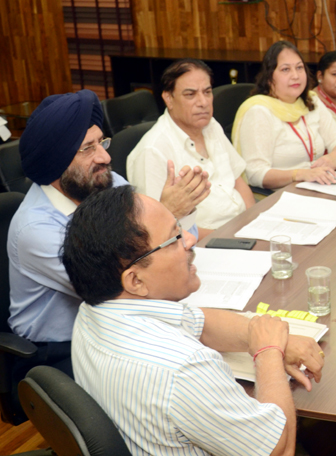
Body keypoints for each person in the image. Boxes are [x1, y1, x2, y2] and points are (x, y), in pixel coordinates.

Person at [63, 185, 325, 455]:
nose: (190, 239)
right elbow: (279, 449)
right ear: (135, 280)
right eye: (174, 238)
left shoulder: (94, 310)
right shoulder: (185, 369)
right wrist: (269, 352)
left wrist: (261, 332)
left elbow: (200, 323)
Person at [7, 89, 210, 386]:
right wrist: (168, 212)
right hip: (55, 352)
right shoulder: (35, 229)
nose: (105, 156)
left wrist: (182, 213)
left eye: (101, 142)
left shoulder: (106, 182)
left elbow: (156, 251)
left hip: (116, 325)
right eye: (87, 149)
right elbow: (120, 286)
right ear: (57, 161)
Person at [128, 59, 256, 240]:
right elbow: (158, 226)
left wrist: (254, 221)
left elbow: (238, 180)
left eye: (207, 92)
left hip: (241, 230)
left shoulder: (211, 125)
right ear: (168, 99)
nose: (203, 102)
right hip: (202, 244)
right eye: (190, 95)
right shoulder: (152, 151)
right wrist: (229, 238)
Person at [232, 41, 336, 190]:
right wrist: (299, 174)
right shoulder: (259, 111)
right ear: (270, 77)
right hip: (278, 195)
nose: (295, 76)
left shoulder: (310, 100)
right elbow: (256, 174)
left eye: (299, 68)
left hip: (315, 186)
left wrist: (333, 158)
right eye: (285, 69)